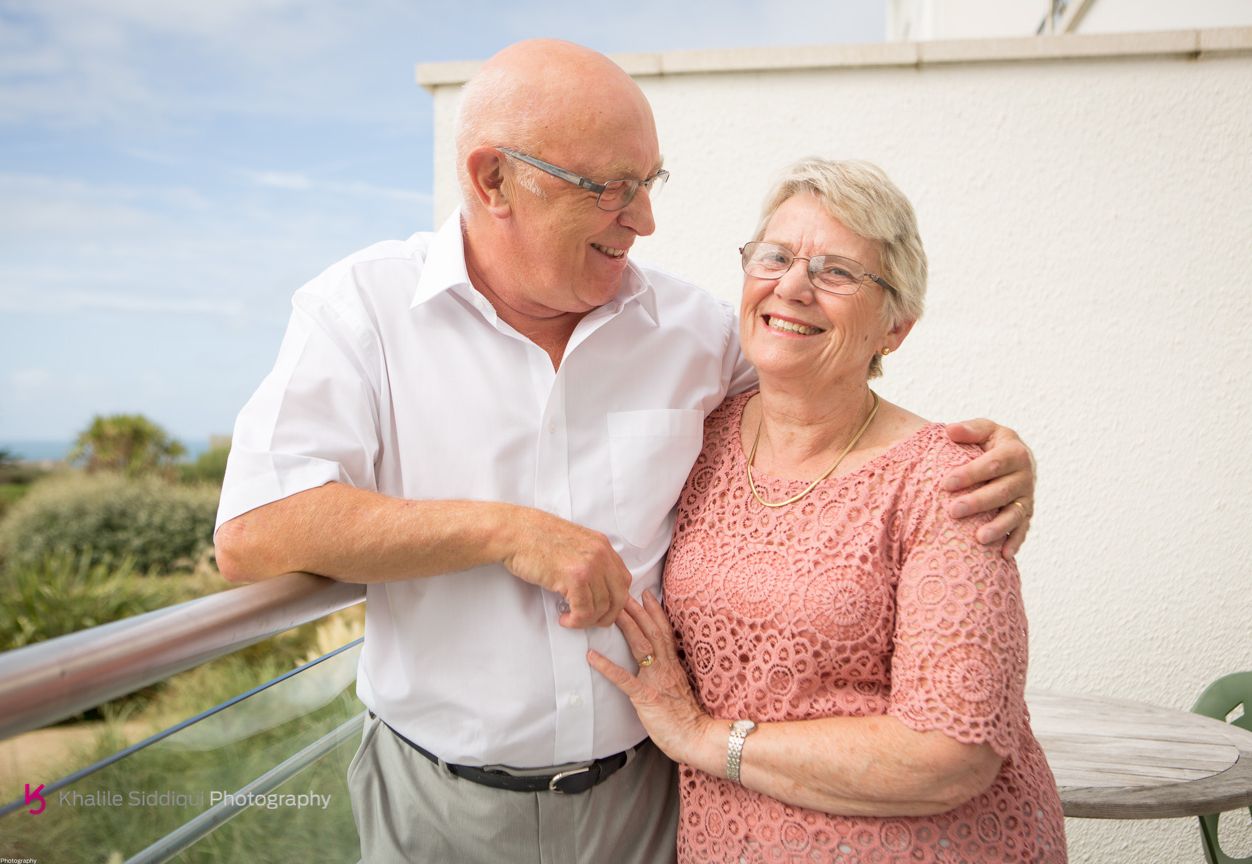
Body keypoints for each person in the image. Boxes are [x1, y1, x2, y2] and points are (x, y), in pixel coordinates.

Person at [214, 40, 1037, 864]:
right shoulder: (362, 310)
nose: (644, 219)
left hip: (650, 804)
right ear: (492, 179)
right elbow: (255, 530)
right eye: (610, 188)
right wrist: (507, 532)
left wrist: (989, 452)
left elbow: (832, 393)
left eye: (650, 184)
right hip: (435, 804)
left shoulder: (696, 332)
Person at [588, 157, 1066, 863]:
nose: (792, 287)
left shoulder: (947, 481)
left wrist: (702, 739)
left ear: (895, 326)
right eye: (774, 257)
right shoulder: (701, 432)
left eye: (837, 272)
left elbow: (950, 753)